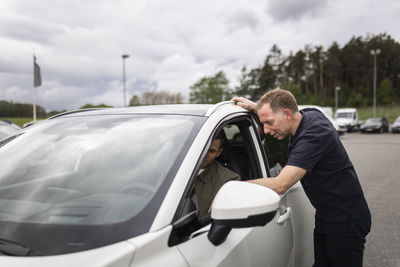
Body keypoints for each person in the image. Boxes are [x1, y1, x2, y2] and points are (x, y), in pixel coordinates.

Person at [232, 89, 371, 267]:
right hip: (328, 216)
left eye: (269, 122)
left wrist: (234, 187)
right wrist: (257, 108)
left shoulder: (313, 136)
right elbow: (285, 104)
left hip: (346, 220)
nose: (265, 130)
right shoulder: (310, 114)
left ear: (288, 115)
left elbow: (280, 184)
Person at [195, 131, 240, 215]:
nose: (205, 154)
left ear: (219, 153)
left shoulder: (229, 181)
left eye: (211, 151)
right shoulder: (170, 169)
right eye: (203, 149)